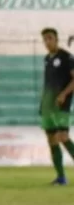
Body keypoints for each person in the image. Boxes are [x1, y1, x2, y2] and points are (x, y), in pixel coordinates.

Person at [40, 28, 74, 186]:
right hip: (48, 105)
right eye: (45, 39)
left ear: (56, 39)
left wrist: (64, 94)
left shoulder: (66, 57)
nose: (47, 42)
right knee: (51, 139)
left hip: (61, 104)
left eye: (50, 38)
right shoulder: (47, 59)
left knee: (63, 137)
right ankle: (61, 177)